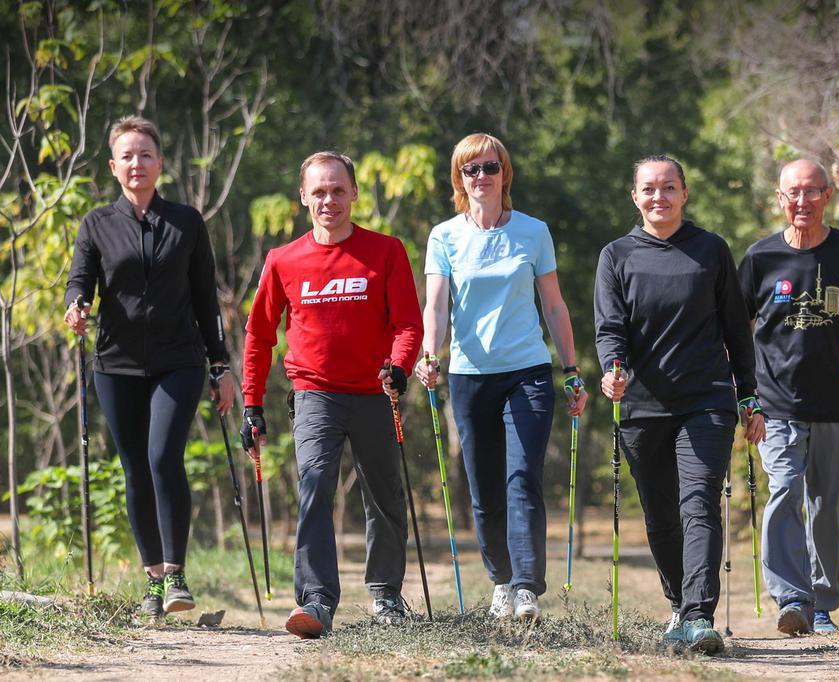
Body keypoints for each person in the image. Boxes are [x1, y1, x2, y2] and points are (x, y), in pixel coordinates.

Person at [241, 151, 423, 638]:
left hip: (372, 392)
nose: (329, 200)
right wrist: (251, 403)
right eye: (319, 191)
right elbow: (259, 335)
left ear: (354, 193)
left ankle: (386, 595)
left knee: (384, 494)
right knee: (314, 487)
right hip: (314, 393)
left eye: (338, 190)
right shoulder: (283, 259)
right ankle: (317, 601)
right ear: (303, 197)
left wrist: (399, 367)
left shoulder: (386, 251)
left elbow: (408, 323)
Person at [414, 133, 587, 623]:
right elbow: (437, 305)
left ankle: (528, 587)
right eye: (471, 170)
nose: (481, 177)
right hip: (470, 377)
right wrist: (431, 354)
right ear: (459, 178)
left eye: (490, 167)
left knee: (522, 478)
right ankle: (501, 581)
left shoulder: (534, 232)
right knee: (484, 488)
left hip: (528, 373)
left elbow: (553, 305)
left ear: (504, 173)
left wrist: (571, 370)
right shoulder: (444, 236)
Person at [64, 115, 232, 618]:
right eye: (127, 156)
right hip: (115, 365)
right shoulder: (96, 223)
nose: (137, 163)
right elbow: (80, 280)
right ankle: (152, 582)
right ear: (113, 167)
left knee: (163, 458)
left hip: (179, 361)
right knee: (135, 467)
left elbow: (206, 299)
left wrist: (220, 366)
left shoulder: (186, 221)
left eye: (146, 154)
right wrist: (76, 305)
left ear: (160, 163)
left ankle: (177, 575)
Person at [594, 154, 762, 655]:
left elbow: (736, 328)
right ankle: (677, 603)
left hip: (707, 400)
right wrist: (612, 369)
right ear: (634, 196)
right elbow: (610, 328)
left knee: (699, 503)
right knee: (661, 515)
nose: (659, 197)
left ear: (685, 194)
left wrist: (749, 394)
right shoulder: (616, 255)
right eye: (648, 188)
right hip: (642, 404)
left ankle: (698, 616)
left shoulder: (710, 249)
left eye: (669, 188)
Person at [737, 159, 839, 636]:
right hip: (775, 401)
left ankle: (822, 605)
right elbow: (736, 331)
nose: (802, 201)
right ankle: (792, 599)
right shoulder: (760, 259)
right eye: (792, 193)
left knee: (827, 503)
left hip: (837, 400)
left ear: (827, 195)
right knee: (784, 490)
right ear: (780, 199)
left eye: (811, 192)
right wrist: (745, 396)